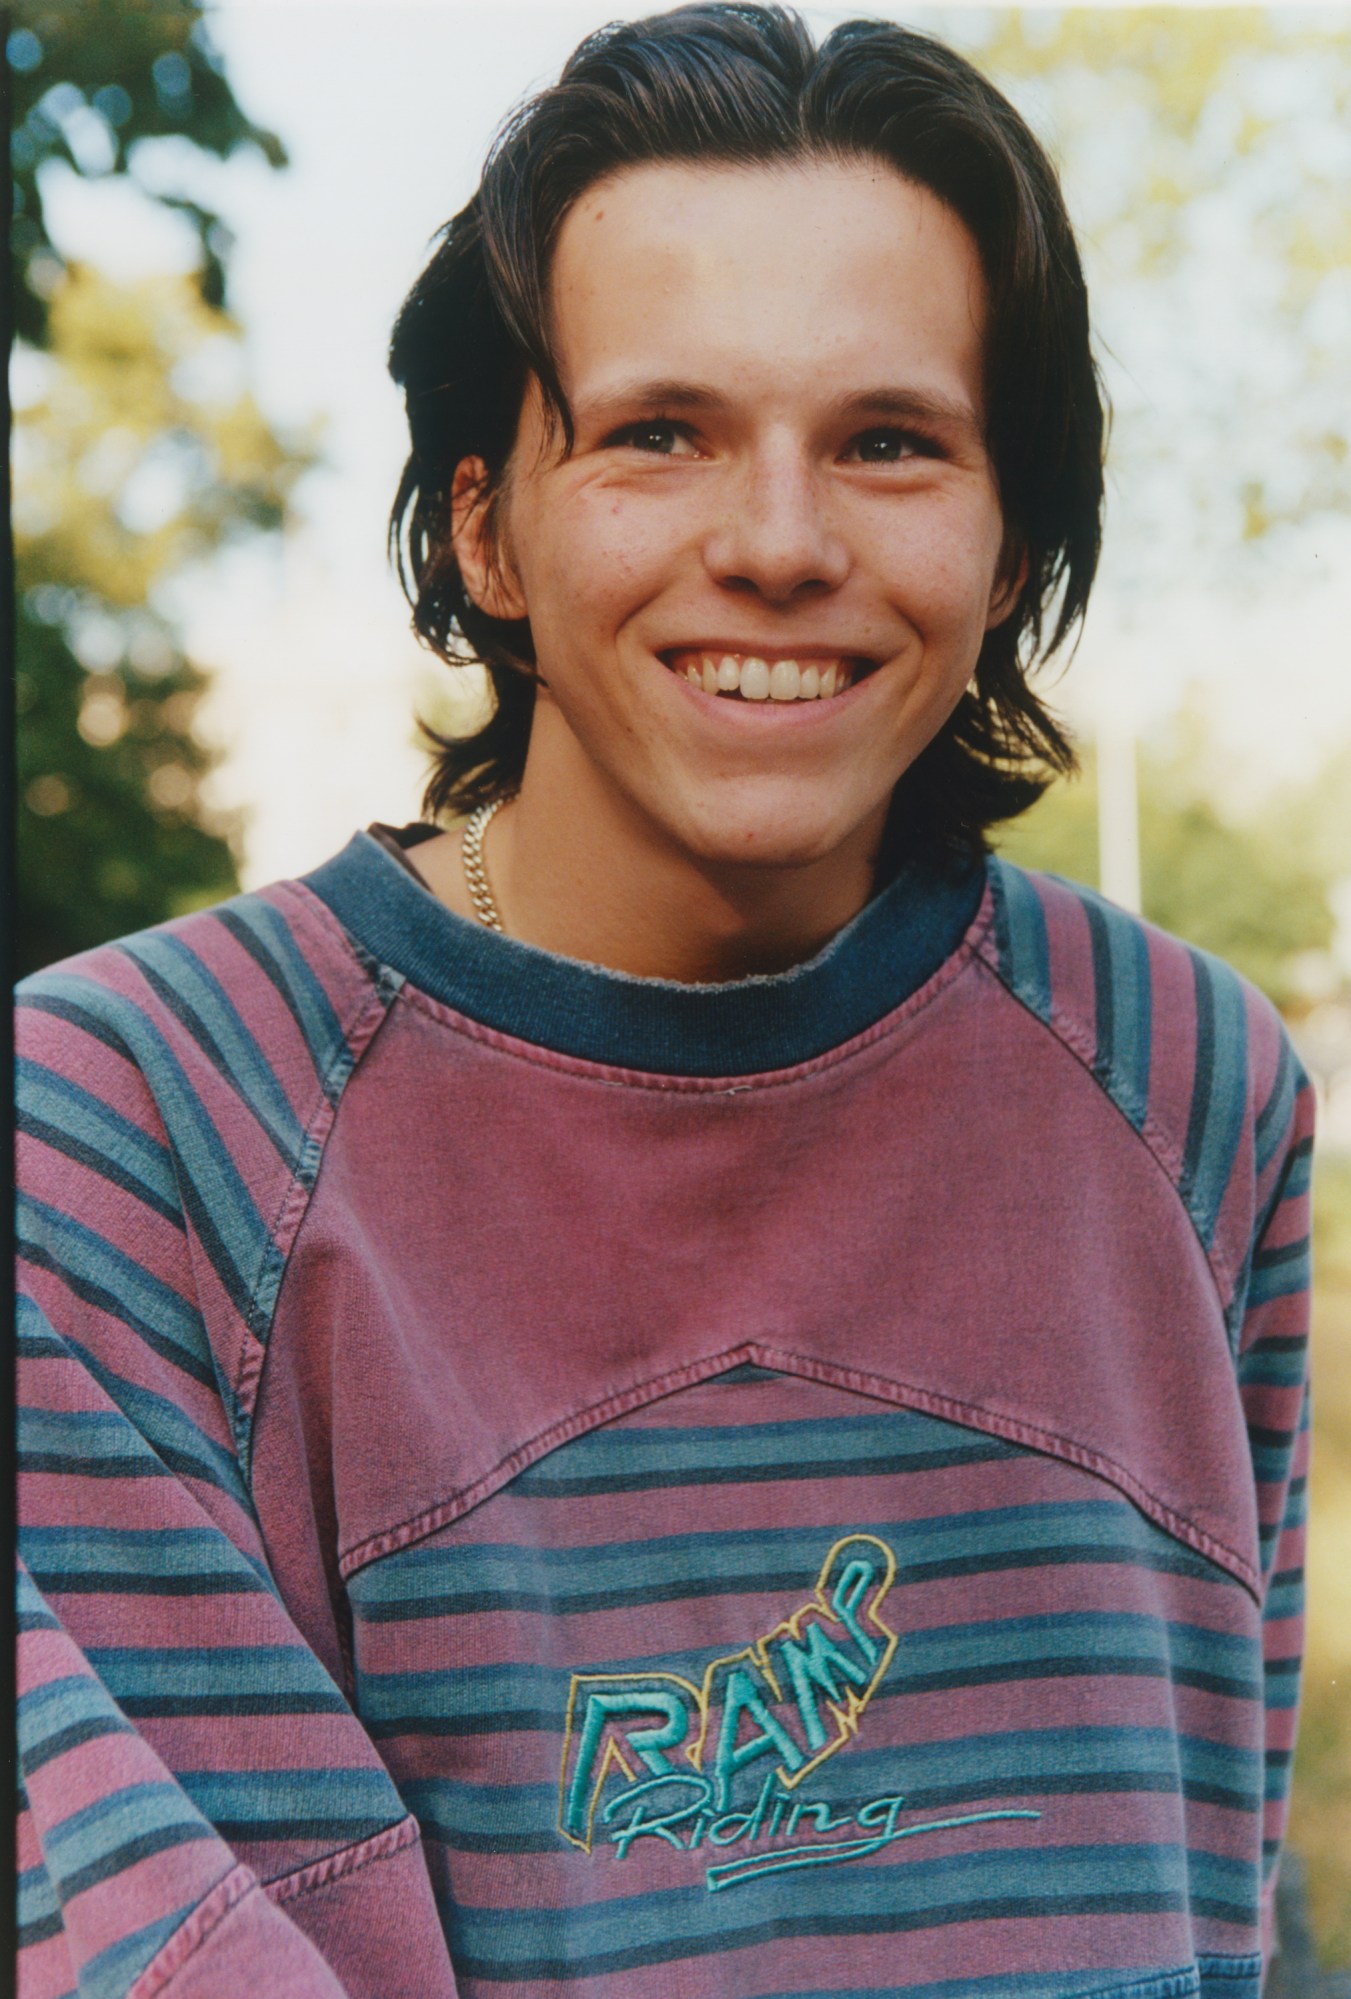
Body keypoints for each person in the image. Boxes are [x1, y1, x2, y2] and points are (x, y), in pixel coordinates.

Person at [15, 8, 1312, 1997]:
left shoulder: (1189, 1083)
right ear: (481, 526)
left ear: (1010, 536)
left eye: (889, 441)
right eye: (656, 433)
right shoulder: (133, 1130)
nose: (776, 544)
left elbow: (1216, 1867)